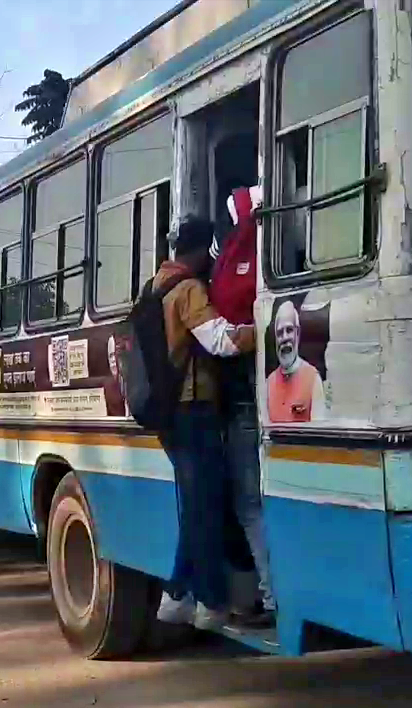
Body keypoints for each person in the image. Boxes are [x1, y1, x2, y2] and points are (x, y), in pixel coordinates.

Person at [154, 216, 256, 631]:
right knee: (207, 509)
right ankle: (209, 601)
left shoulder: (155, 286)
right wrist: (266, 326)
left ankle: (176, 596)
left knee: (198, 506)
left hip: (166, 414)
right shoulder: (189, 289)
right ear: (200, 250)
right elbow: (220, 341)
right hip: (193, 410)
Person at [209, 185, 276, 627]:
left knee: (248, 503)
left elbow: (222, 341)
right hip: (276, 391)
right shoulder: (277, 238)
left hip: (238, 398)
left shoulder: (228, 259)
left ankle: (271, 596)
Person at [266, 300, 325, 423]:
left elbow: (318, 434)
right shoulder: (268, 384)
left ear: (297, 333)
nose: (285, 338)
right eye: (280, 333)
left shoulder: (313, 379)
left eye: (289, 330)